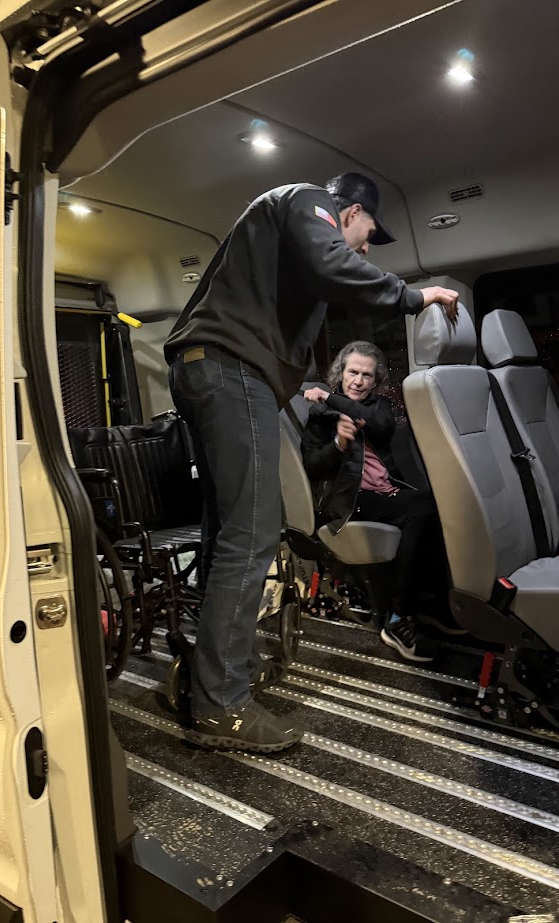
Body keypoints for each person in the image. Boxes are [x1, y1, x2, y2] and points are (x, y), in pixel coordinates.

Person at [164, 171, 458, 754]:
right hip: (230, 370)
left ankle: (216, 671)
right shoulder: (306, 200)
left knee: (229, 531)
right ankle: (221, 704)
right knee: (253, 533)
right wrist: (415, 296)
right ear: (349, 213)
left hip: (216, 370)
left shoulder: (288, 248)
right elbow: (334, 263)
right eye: (369, 234)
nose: (366, 249)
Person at [301, 342, 449, 662]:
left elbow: (380, 425)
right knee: (419, 513)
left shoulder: (377, 407)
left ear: (376, 380)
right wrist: (339, 444)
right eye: (352, 372)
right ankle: (397, 619)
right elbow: (311, 467)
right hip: (349, 501)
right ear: (340, 373)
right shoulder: (320, 414)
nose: (358, 381)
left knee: (440, 505)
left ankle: (431, 602)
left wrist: (329, 396)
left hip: (386, 491)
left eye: (367, 375)